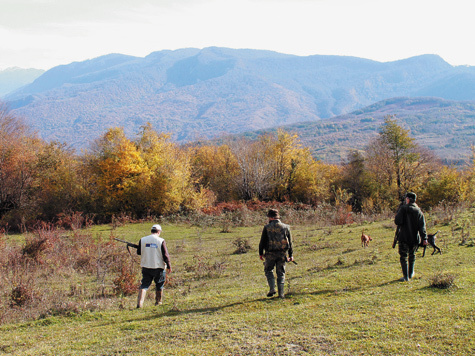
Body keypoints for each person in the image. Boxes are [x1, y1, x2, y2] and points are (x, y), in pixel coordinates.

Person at [259, 209, 293, 298]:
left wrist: (260, 253)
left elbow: (262, 241)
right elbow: (290, 242)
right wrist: (291, 255)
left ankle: (272, 288)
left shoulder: (267, 227)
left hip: (270, 254)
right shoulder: (286, 227)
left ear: (270, 217)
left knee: (268, 270)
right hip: (282, 254)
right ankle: (281, 294)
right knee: (281, 273)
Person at [136, 224, 172, 308]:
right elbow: (165, 255)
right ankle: (158, 302)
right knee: (159, 285)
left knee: (144, 285)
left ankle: (140, 304)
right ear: (159, 232)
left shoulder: (143, 239)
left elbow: (138, 252)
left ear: (151, 231)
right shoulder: (161, 240)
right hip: (158, 267)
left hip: (146, 266)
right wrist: (169, 265)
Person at [394, 192, 427, 281]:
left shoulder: (403, 209)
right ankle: (411, 273)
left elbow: (397, 221)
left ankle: (405, 277)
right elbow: (422, 226)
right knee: (412, 255)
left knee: (403, 257)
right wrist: (424, 238)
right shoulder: (418, 211)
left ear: (408, 199)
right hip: (414, 238)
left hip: (403, 237)